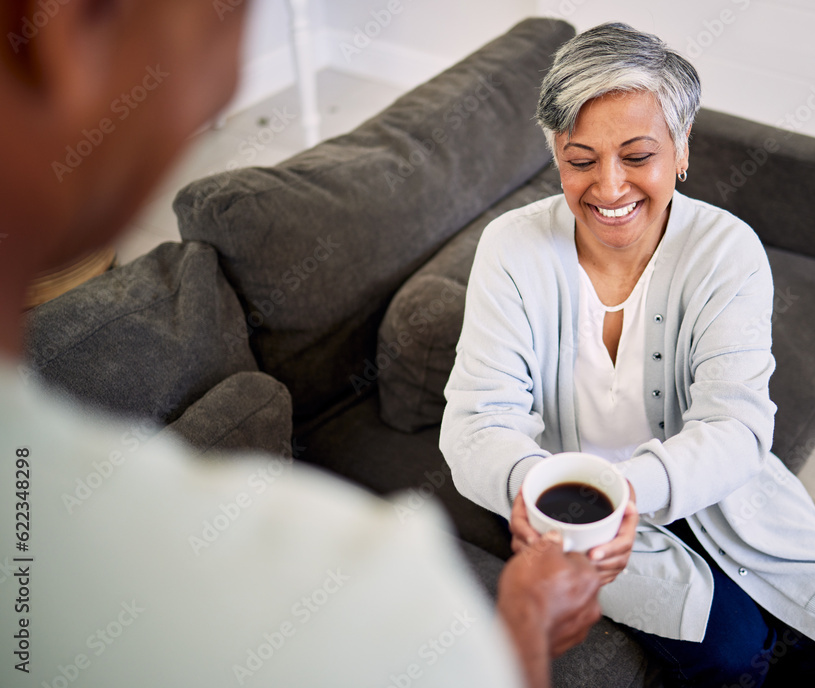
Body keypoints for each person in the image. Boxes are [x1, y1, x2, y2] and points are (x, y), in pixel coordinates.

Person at [0, 2, 603, 687]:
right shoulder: (369, 589)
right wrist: (525, 623)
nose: (228, 75)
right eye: (228, 15)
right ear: (67, 29)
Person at [441, 22, 815, 688]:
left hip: (710, 483)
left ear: (681, 149)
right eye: (580, 158)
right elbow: (475, 425)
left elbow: (738, 426)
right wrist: (541, 496)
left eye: (637, 155)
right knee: (733, 650)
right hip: (571, 506)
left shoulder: (726, 252)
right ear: (555, 154)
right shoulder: (512, 249)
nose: (609, 188)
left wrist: (632, 492)